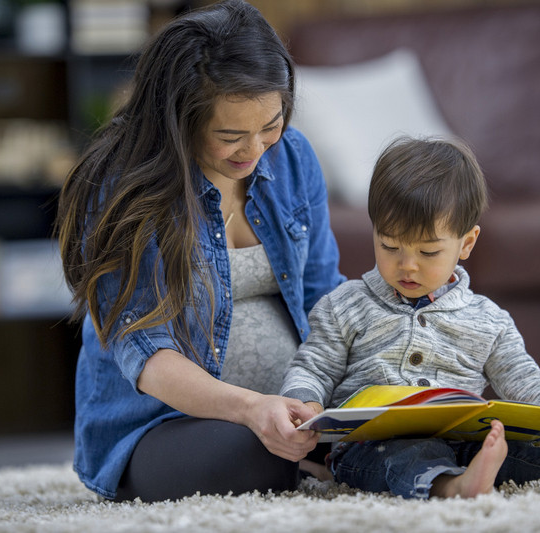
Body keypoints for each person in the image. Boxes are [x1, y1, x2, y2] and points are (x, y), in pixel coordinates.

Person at [56, 0, 344, 502]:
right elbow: (149, 355)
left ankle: (344, 454)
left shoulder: (293, 156)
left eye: (270, 125)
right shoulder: (124, 189)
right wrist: (254, 408)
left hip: (299, 403)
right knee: (256, 453)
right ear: (179, 120)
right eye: (230, 136)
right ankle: (327, 460)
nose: (255, 150)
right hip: (166, 425)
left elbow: (325, 297)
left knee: (412, 415)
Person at [280, 136, 540, 499]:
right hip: (371, 445)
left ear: (466, 244)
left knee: (518, 452)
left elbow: (525, 381)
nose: (407, 265)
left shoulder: (489, 320)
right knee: (400, 459)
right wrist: (303, 404)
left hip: (465, 439)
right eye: (389, 245)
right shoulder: (344, 304)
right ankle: (454, 486)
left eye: (428, 251)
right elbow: (314, 367)